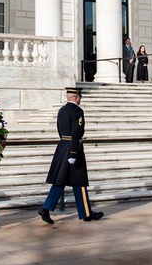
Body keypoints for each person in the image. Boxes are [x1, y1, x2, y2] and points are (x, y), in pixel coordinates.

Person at [38, 87, 104, 224]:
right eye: (80, 97)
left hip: (62, 147)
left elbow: (59, 129)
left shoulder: (62, 110)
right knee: (79, 181)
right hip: (73, 149)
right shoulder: (77, 111)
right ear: (76, 97)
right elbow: (77, 133)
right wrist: (74, 153)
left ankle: (46, 207)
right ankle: (86, 213)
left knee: (60, 181)